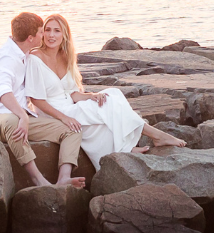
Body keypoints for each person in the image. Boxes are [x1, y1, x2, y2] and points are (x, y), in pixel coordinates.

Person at [26, 13, 187, 170]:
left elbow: (72, 93)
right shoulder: (35, 58)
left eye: (57, 30)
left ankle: (125, 148)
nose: (51, 35)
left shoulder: (65, 56)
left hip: (70, 106)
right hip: (53, 113)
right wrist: (65, 118)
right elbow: (36, 100)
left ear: (65, 35)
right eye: (47, 30)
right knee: (109, 105)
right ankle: (156, 136)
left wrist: (91, 96)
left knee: (112, 95)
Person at [0, 11, 86, 189]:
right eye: (42, 32)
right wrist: (23, 116)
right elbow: (3, 92)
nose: (45, 35)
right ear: (30, 38)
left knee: (71, 129)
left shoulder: (25, 53)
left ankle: (64, 177)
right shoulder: (7, 59)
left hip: (20, 117)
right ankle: (38, 180)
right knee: (14, 121)